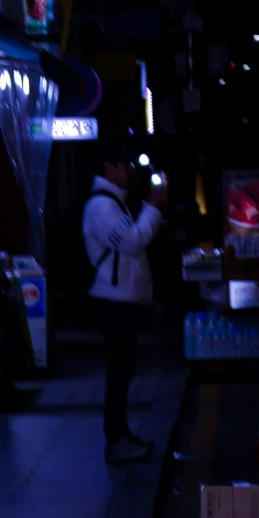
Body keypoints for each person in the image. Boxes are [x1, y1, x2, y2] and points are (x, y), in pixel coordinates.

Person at [83, 151, 167, 463]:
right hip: (113, 303)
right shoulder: (102, 205)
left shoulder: (111, 202)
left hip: (119, 302)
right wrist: (153, 209)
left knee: (123, 369)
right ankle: (116, 439)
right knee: (119, 371)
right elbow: (132, 241)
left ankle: (121, 434)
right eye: (125, 165)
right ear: (109, 166)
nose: (131, 171)